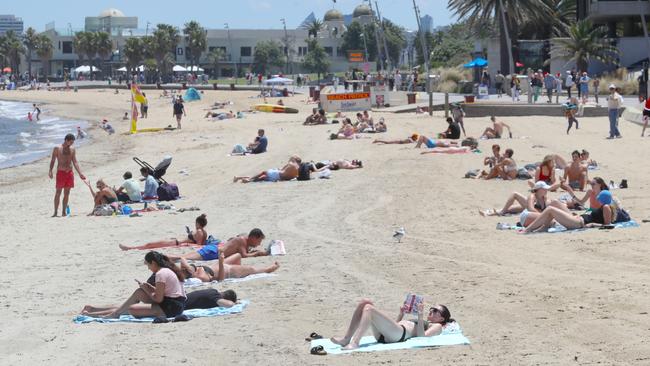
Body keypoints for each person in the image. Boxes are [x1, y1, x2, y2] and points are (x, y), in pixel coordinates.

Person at [80, 251, 186, 319]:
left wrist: (147, 289)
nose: (148, 268)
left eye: (148, 265)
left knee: (131, 308)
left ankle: (101, 314)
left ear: (153, 263)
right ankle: (98, 310)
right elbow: (165, 292)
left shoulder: (161, 273)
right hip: (170, 302)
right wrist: (149, 288)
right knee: (138, 293)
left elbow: (158, 299)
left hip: (171, 307)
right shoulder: (165, 271)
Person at [329, 299, 454, 350]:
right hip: (390, 334)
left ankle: (354, 343)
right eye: (432, 308)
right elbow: (397, 325)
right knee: (365, 303)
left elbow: (421, 337)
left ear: (442, 318)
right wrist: (401, 314)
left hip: (399, 335)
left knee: (369, 308)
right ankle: (346, 339)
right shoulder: (427, 322)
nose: (431, 310)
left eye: (435, 311)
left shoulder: (437, 327)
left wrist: (420, 315)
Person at [525, 190, 630, 233]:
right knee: (555, 203)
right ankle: (544, 227)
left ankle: (528, 230)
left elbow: (607, 225)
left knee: (550, 209)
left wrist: (593, 224)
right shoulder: (606, 206)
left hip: (579, 223)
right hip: (578, 219)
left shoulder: (606, 207)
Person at [119, 214, 208, 251]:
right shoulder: (204, 232)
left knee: (150, 244)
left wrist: (188, 244)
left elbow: (199, 245)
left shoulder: (199, 232)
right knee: (151, 244)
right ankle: (131, 247)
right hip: (176, 241)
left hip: (176, 242)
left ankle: (130, 248)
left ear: (198, 223)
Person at [479, 181, 555, 222]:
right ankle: (495, 212)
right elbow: (531, 209)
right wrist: (542, 214)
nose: (546, 190)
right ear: (539, 190)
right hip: (529, 208)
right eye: (544, 189)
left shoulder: (544, 198)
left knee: (510, 208)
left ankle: (490, 212)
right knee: (513, 199)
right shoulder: (532, 196)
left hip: (528, 208)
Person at [49, 134, 85, 217]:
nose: (72, 144)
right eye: (71, 142)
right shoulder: (57, 148)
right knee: (58, 192)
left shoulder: (72, 149)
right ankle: (55, 212)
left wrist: (80, 173)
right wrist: (50, 171)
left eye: (73, 142)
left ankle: (64, 212)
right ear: (66, 140)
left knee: (67, 193)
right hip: (61, 173)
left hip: (69, 173)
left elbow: (75, 161)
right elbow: (53, 160)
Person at [182, 251, 280, 282]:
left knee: (238, 256)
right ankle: (268, 269)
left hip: (218, 265)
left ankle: (242, 272)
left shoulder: (191, 270)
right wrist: (221, 263)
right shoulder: (201, 277)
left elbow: (183, 259)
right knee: (251, 269)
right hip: (227, 270)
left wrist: (188, 267)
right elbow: (220, 279)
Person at [233, 156, 301, 183]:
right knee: (262, 177)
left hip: (277, 174)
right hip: (277, 176)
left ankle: (248, 180)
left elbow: (290, 160)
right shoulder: (297, 171)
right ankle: (240, 178)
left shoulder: (293, 164)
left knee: (263, 173)